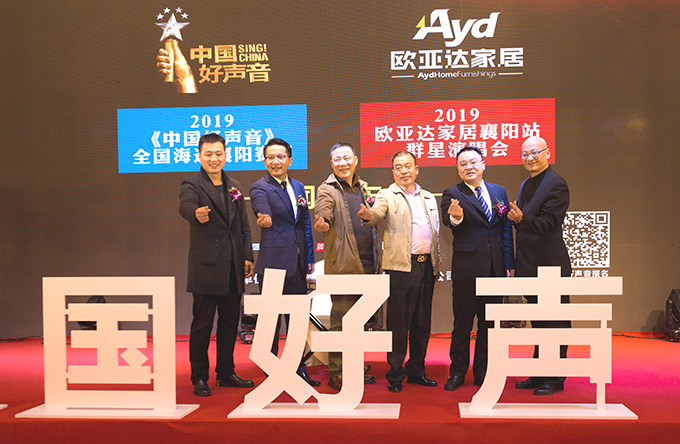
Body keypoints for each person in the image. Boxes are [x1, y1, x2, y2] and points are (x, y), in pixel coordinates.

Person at [357, 151, 440, 393]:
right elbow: (376, 213)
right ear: (393, 172)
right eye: (398, 167)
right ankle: (395, 374)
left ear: (417, 169)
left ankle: (417, 370)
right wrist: (368, 216)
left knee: (422, 322)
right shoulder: (387, 195)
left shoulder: (428, 197)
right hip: (401, 267)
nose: (404, 171)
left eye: (408, 166)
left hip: (427, 265)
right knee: (398, 322)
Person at [179, 133, 255, 397]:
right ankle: (199, 377)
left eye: (218, 153)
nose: (214, 159)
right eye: (208, 154)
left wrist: (247, 255)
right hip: (207, 265)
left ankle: (225, 372)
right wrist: (195, 213)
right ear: (199, 156)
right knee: (202, 324)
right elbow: (185, 206)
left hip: (233, 265)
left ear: (226, 155)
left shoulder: (234, 185)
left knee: (229, 322)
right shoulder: (192, 183)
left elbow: (243, 225)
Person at [440, 146, 514, 391]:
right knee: (462, 324)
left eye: (473, 162)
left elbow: (505, 230)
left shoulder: (498, 191)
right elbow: (450, 221)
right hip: (467, 270)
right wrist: (456, 217)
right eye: (463, 164)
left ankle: (483, 371)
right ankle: (457, 372)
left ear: (483, 164)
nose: (469, 167)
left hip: (495, 269)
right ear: (458, 169)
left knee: (489, 325)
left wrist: (508, 264)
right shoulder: (452, 193)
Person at [249, 138, 319, 387]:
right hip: (273, 264)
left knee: (297, 321)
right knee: (270, 321)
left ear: (289, 160)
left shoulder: (298, 187)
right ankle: (271, 371)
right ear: (264, 161)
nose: (275, 161)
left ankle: (297, 368)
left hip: (297, 264)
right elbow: (261, 207)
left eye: (280, 157)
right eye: (270, 157)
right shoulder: (259, 187)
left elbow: (305, 223)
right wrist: (264, 216)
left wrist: (309, 257)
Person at [507, 136, 572, 396]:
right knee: (539, 323)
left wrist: (522, 219)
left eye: (535, 152)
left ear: (547, 153)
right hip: (530, 266)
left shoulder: (556, 183)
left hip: (550, 267)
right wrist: (517, 219)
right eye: (525, 154)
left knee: (555, 322)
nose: (530, 158)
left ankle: (554, 378)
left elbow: (549, 224)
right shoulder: (526, 183)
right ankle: (539, 372)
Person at [313, 142, 380, 391]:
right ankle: (337, 372)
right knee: (341, 321)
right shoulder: (327, 189)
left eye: (347, 158)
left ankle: (353, 367)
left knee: (359, 322)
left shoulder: (363, 188)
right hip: (343, 265)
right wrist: (323, 221)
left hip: (368, 263)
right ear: (332, 164)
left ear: (356, 160)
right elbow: (323, 210)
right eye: (337, 159)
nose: (343, 163)